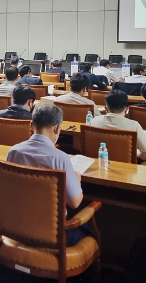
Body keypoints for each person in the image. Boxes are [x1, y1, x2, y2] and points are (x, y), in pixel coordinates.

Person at [6, 103, 87, 246]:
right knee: (88, 229)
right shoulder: (60, 158)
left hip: (17, 227)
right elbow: (75, 202)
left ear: (31, 125)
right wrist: (77, 180)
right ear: (57, 128)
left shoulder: (14, 151)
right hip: (53, 236)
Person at [90, 90, 146, 163]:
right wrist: (136, 152)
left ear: (106, 109)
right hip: (126, 171)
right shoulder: (134, 125)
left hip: (99, 166)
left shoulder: (94, 121)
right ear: (126, 109)